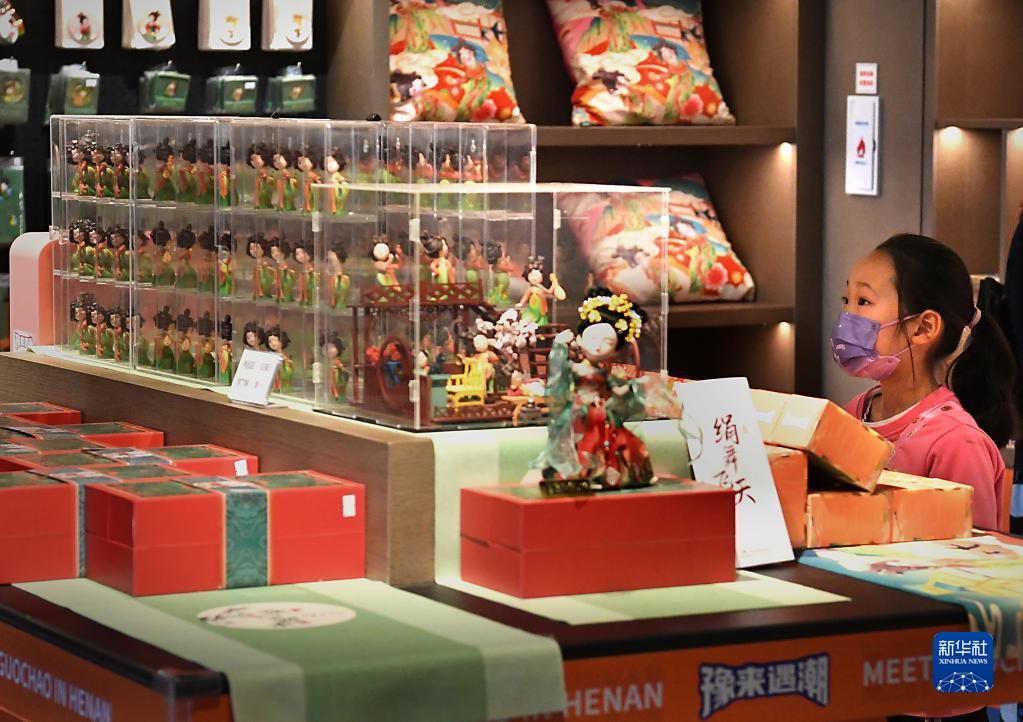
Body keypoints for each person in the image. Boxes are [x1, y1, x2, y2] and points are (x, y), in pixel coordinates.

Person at [835, 234, 1016, 533]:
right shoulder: (853, 413)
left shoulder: (957, 444)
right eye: (846, 300)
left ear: (924, 327)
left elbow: (968, 553)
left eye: (863, 301)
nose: (846, 317)